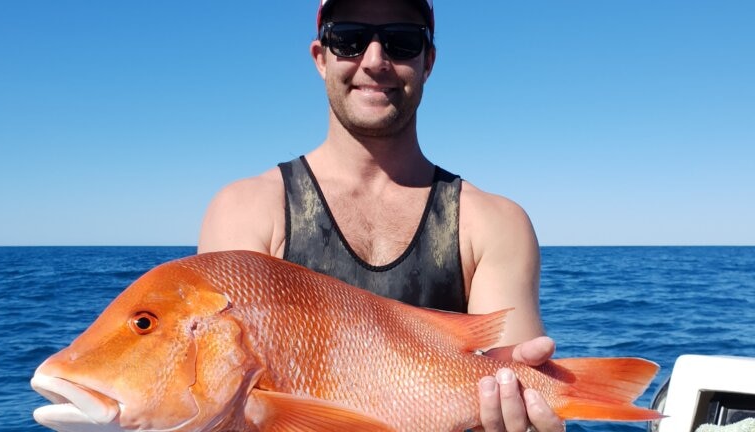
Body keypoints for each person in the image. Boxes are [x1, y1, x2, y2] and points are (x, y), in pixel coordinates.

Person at [198, 0, 563, 430]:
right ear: (321, 58)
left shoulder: (494, 223)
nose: (374, 61)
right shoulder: (246, 210)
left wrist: (527, 411)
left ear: (428, 62)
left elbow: (513, 374)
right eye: (349, 40)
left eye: (401, 42)